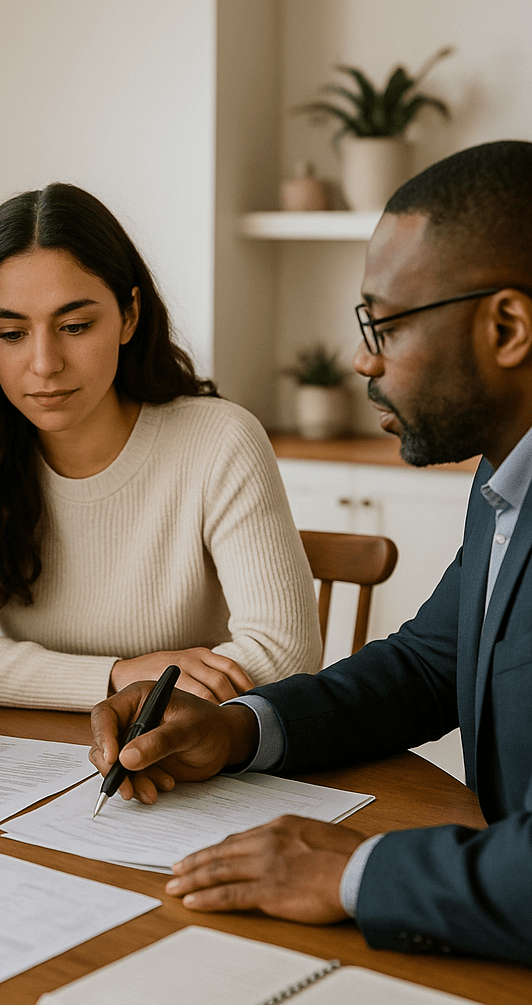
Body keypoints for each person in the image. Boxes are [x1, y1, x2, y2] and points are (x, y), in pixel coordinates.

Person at [88, 139, 532, 966]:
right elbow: (429, 668)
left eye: (384, 323)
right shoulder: (506, 473)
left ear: (506, 326)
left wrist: (354, 871)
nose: (363, 359)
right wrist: (233, 731)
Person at [0, 183, 321, 711]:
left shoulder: (220, 442)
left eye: (75, 326)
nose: (45, 363)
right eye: (10, 334)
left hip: (191, 751)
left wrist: (137, 696)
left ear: (129, 315)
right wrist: (117, 678)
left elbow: (287, 653)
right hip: (37, 755)